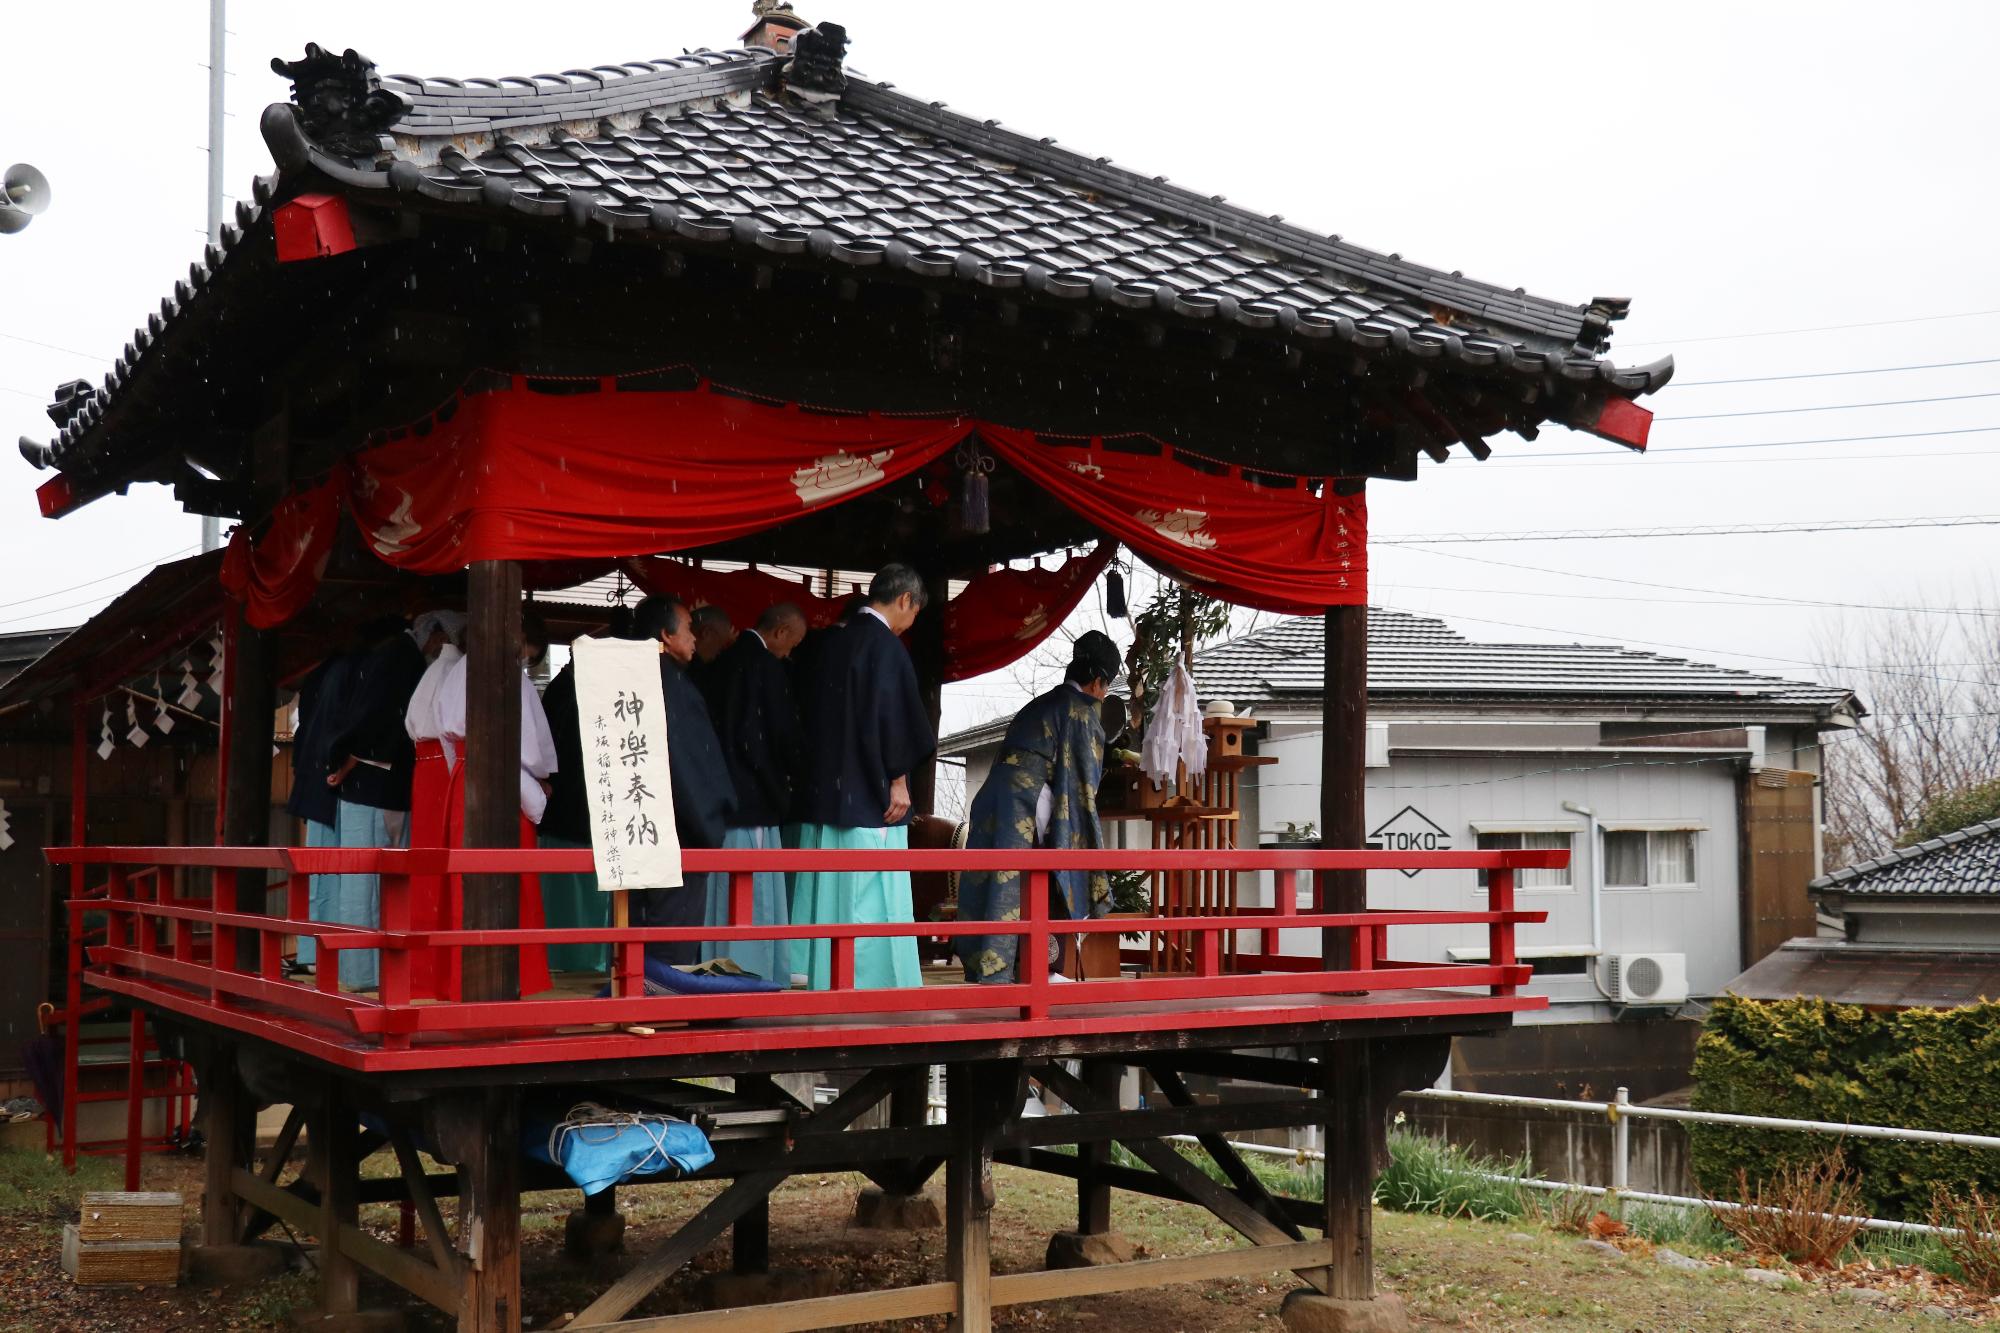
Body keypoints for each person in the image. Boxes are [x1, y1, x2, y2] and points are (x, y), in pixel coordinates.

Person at [791, 564, 935, 991]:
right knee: (870, 899)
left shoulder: (828, 644)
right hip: (870, 799)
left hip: (826, 794)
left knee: (825, 894)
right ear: (905, 600)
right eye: (915, 611)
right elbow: (894, 718)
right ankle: (869, 982)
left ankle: (817, 976)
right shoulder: (885, 647)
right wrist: (897, 779)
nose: (912, 622)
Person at [956, 631, 1123, 984]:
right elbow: (1082, 785)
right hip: (1029, 805)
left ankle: (988, 971)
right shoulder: (1081, 713)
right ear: (1098, 682)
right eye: (1106, 687)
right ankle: (1036, 971)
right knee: (1041, 880)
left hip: (992, 800)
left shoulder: (1039, 703)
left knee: (994, 886)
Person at [431, 608, 555, 999]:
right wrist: (542, 776)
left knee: (463, 880)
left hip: (464, 775)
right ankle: (511, 978)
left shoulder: (457, 670)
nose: (521, 659)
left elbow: (447, 736)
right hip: (500, 780)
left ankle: (458, 979)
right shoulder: (506, 674)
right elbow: (528, 745)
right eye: (524, 652)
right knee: (509, 880)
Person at [319, 615, 433, 989]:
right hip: (379, 781)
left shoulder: (374, 661)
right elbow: (389, 719)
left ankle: (360, 972)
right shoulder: (402, 659)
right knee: (374, 880)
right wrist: (352, 757)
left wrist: (344, 757)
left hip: (364, 782)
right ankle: (369, 972)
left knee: (360, 881)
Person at [625, 595, 736, 965]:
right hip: (677, 834)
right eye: (688, 628)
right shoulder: (672, 686)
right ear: (665, 635)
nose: (693, 637)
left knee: (637, 930)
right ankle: (663, 1008)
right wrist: (709, 825)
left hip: (638, 830)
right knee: (671, 936)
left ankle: (640, 1001)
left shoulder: (635, 681)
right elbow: (689, 769)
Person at [699, 601, 807, 980]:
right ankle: (752, 968)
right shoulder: (764, 667)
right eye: (791, 643)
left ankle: (719, 961)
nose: (790, 653)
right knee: (752, 888)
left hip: (721, 796)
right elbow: (772, 736)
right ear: (779, 632)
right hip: (753, 795)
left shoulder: (724, 663)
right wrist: (791, 775)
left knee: (723, 888)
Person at [400, 610, 467, 993]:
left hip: (425, 768)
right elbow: (449, 733)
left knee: (427, 868)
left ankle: (425, 970)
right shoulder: (455, 673)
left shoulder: (434, 672)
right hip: (444, 769)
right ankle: (439, 969)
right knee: (443, 867)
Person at [537, 638, 609, 974]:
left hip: (567, 811)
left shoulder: (562, 689)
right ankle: (579, 963)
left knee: (565, 898)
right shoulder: (571, 692)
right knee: (577, 897)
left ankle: (569, 960)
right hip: (575, 811)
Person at [285, 648, 354, 974]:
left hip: (313, 776)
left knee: (320, 875)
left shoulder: (321, 674)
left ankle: (314, 952)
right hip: (330, 778)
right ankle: (330, 952)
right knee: (338, 875)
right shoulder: (353, 670)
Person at [688, 604, 736, 699]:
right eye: (720, 646)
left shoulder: (663, 651)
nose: (718, 654)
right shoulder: (693, 671)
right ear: (706, 633)